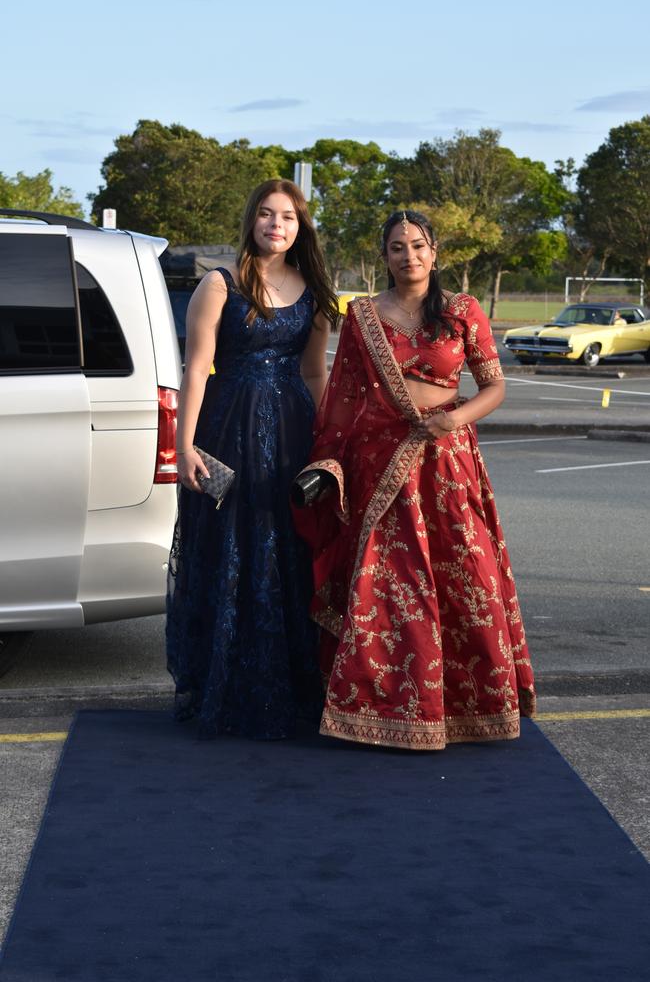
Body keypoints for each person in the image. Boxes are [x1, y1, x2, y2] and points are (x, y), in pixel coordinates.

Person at [293, 209, 536, 750]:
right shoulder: (362, 316)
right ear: (384, 256)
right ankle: (385, 709)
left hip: (447, 461)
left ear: (435, 252)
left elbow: (494, 388)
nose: (410, 256)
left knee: (466, 575)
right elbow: (344, 397)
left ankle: (474, 706)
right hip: (380, 463)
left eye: (419, 246)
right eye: (398, 247)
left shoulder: (461, 310)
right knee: (390, 587)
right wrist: (330, 458)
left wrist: (455, 417)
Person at [166, 179, 339, 740]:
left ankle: (289, 686)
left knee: (287, 549)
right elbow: (195, 369)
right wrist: (185, 445)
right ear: (251, 221)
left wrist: (328, 443)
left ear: (299, 227)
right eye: (266, 214)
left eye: (287, 217)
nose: (276, 225)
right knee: (231, 549)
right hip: (228, 426)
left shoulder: (314, 292)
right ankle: (225, 686)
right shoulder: (220, 283)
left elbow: (315, 372)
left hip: (293, 434)